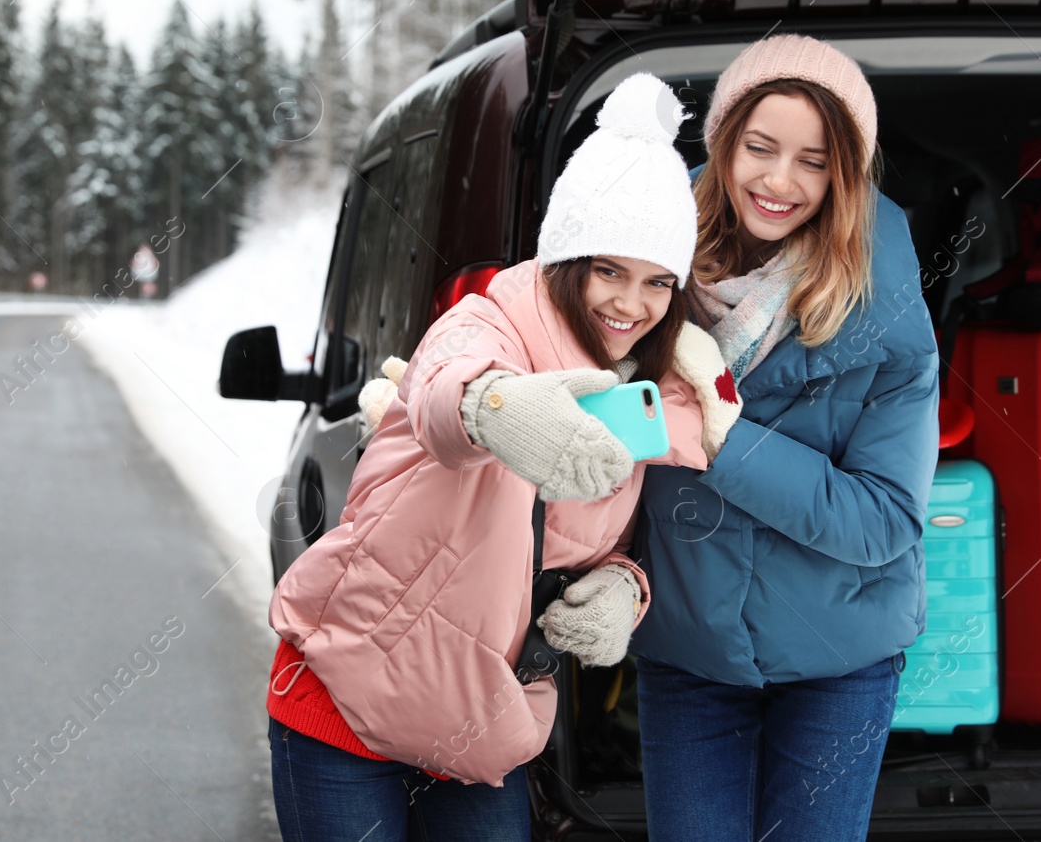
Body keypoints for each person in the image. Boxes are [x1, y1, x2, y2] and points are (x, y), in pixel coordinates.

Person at [266, 72, 742, 842]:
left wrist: (623, 590)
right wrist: (496, 407)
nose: (631, 302)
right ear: (567, 258)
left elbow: (593, 541)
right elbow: (441, 390)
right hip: (342, 705)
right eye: (609, 269)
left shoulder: (643, 394)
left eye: (658, 282)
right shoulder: (491, 321)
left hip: (477, 730)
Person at [630, 35, 940, 841]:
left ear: (845, 173)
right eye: (760, 148)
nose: (779, 181)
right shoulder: (645, 273)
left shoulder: (888, 311)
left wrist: (722, 443)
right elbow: (587, 446)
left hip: (840, 658)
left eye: (812, 160)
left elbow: (883, 519)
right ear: (724, 143)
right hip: (688, 651)